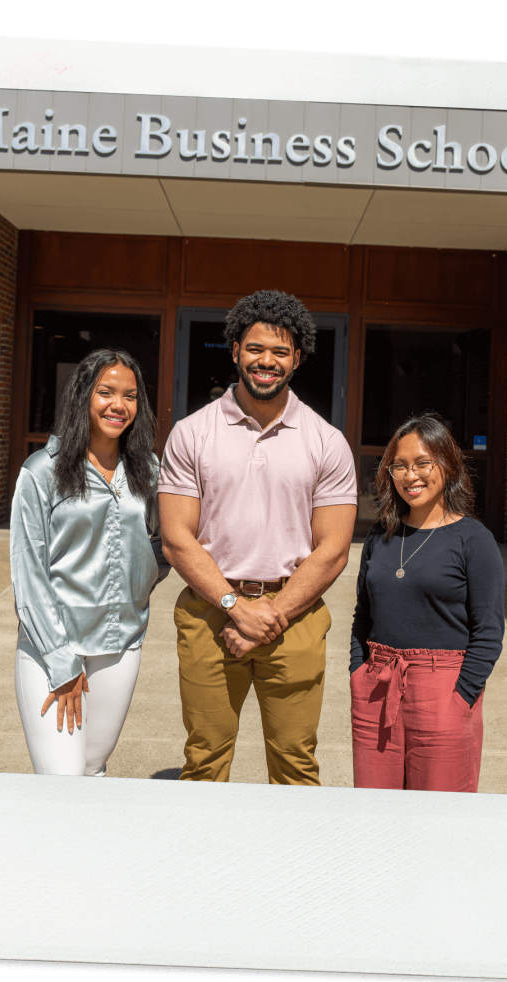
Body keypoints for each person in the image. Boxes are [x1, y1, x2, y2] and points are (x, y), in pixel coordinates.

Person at [158, 289, 358, 785]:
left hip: (295, 615)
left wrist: (271, 615)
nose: (266, 361)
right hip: (210, 612)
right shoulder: (191, 433)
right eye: (255, 348)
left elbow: (332, 551)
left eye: (280, 351)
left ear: (297, 359)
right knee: (204, 761)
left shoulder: (325, 441)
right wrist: (235, 606)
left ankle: (291, 864)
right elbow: (177, 538)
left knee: (295, 766)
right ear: (234, 351)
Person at [10, 348, 169, 776]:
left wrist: (140, 580)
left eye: (130, 396)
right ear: (83, 396)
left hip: (120, 644)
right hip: (54, 647)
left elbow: (162, 542)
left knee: (94, 769)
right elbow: (28, 570)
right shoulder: (42, 471)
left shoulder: (148, 470)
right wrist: (62, 664)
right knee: (63, 779)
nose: (119, 405)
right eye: (106, 392)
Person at [349, 413, 504, 792]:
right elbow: (363, 613)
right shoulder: (380, 535)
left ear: (447, 466)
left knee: (439, 813)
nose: (410, 475)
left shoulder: (474, 540)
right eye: (399, 466)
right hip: (377, 684)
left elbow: (488, 629)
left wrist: (462, 694)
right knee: (376, 809)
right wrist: (358, 670)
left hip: (444, 688)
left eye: (422, 463)